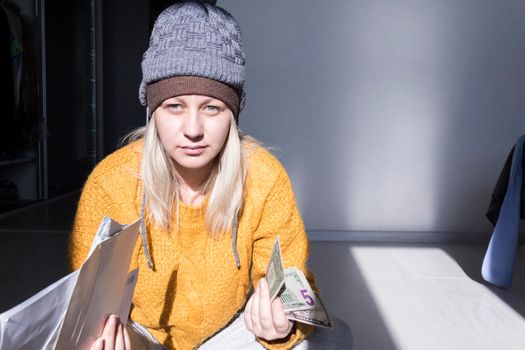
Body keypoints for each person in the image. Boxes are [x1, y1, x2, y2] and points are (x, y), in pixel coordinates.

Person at [69, 1, 353, 349]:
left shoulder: (264, 177)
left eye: (212, 107)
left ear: (233, 114)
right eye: (174, 106)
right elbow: (87, 309)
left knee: (332, 337)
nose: (192, 129)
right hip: (140, 338)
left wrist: (281, 322)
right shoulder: (111, 182)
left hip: (226, 334)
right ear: (152, 112)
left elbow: (290, 283)